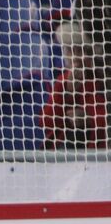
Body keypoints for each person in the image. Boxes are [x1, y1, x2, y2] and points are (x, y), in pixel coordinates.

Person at [40, 21, 107, 149]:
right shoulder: (63, 80)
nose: (75, 57)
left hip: (98, 153)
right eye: (70, 50)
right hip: (65, 151)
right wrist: (68, 91)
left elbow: (104, 120)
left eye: (81, 50)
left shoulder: (101, 80)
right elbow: (46, 122)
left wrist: (88, 119)